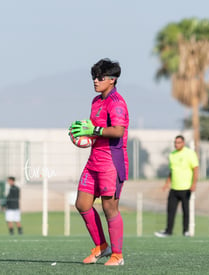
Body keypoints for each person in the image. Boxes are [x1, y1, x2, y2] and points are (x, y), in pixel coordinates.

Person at [70, 58, 129, 266]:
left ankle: (118, 255)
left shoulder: (117, 103)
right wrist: (82, 138)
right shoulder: (96, 102)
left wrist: (91, 131)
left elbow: (118, 131)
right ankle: (101, 246)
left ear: (112, 80)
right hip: (94, 160)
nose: (95, 81)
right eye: (94, 77)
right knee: (82, 204)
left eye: (100, 77)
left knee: (109, 208)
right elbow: (93, 130)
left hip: (111, 162)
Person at [155, 135, 199, 237]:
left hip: (186, 187)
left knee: (185, 210)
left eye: (178, 142)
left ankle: (185, 231)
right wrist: (167, 183)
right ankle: (168, 231)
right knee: (170, 210)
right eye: (175, 142)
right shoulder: (172, 155)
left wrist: (194, 184)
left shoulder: (190, 153)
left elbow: (195, 169)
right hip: (174, 188)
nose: (176, 144)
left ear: (183, 143)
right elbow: (172, 170)